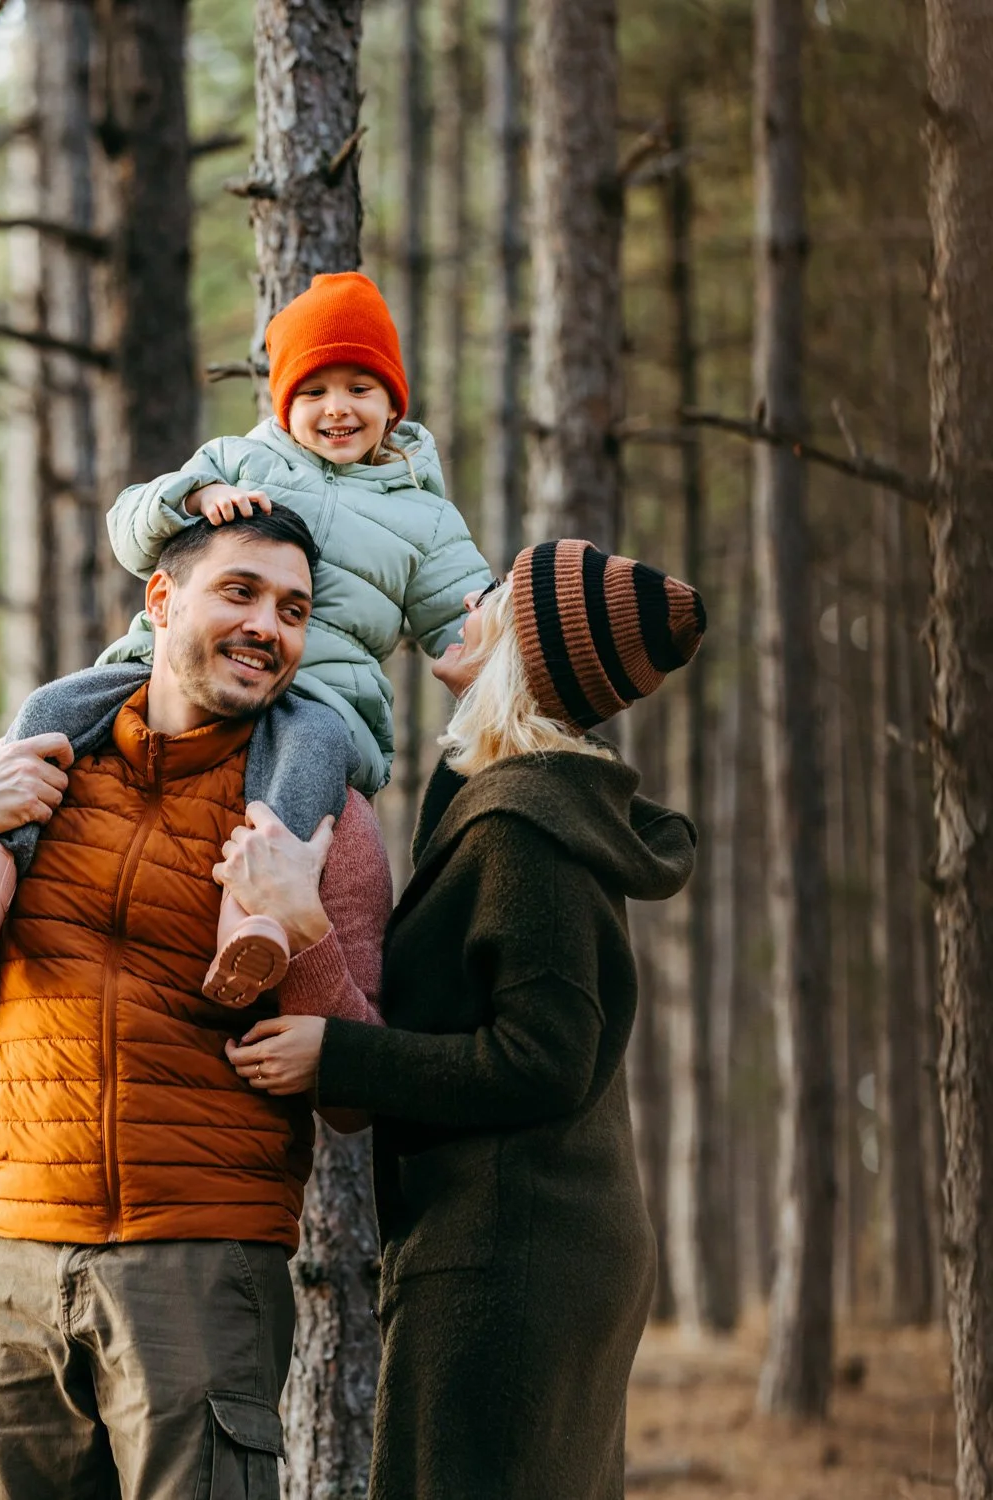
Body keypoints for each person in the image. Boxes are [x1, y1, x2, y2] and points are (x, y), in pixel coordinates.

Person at [0, 507, 393, 1500]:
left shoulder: (327, 819)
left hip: (205, 1262)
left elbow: (354, 1092)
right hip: (15, 1258)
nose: (268, 627)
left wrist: (303, 925)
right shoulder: (39, 774)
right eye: (240, 592)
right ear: (162, 598)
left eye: (293, 611)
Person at [219, 538, 706, 1500]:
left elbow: (544, 1060)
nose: (467, 605)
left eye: (496, 599)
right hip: (535, 1237)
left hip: (512, 1252)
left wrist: (341, 1054)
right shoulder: (520, 800)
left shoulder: (528, 829)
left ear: (523, 650)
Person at [0, 271, 491, 1010]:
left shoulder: (424, 518)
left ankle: (248, 928)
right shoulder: (241, 460)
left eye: (360, 388)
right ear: (283, 402)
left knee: (299, 779)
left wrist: (489, 641)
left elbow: (465, 610)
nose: (337, 408)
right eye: (313, 391)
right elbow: (129, 528)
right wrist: (193, 496)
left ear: (393, 403)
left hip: (319, 701)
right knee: (50, 710)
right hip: (156, 672)